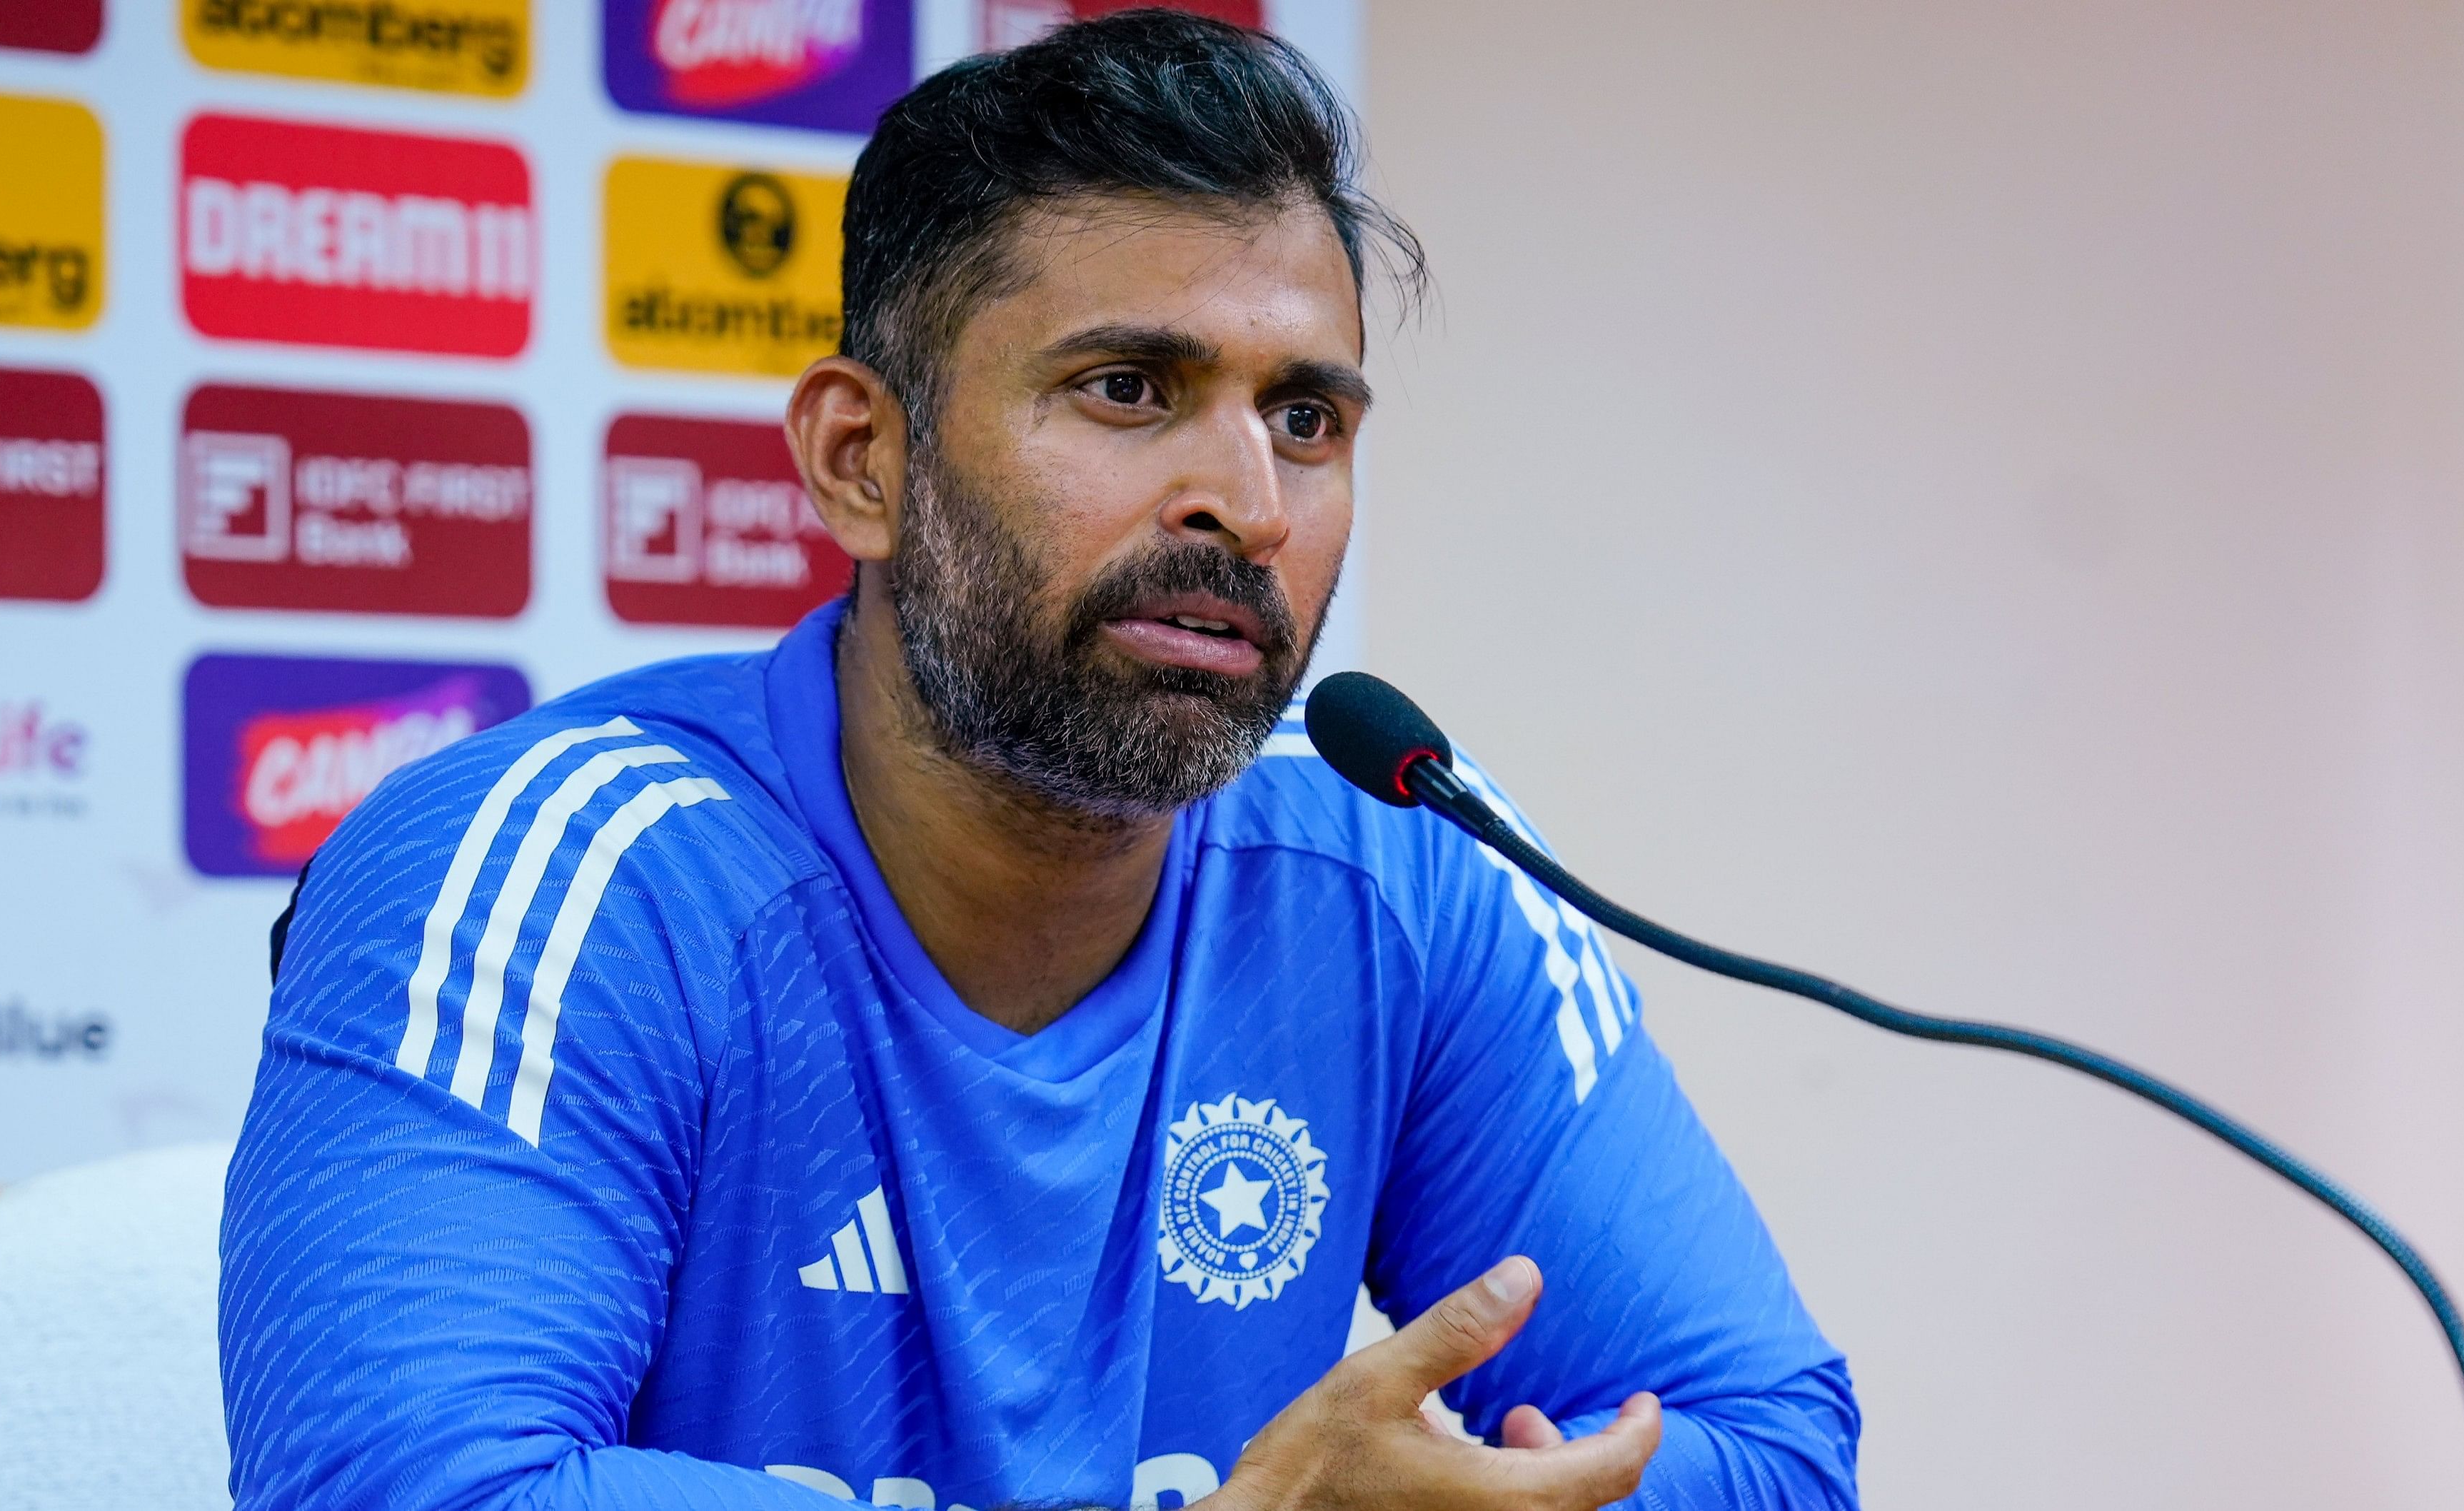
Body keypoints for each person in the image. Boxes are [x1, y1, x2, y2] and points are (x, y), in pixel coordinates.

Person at [219, 13, 1860, 1510]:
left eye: (1306, 418)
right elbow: (408, 1490)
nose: (1251, 504)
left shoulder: (1400, 860)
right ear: (864, 461)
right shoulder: (556, 873)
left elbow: (1773, 1445)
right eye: (1130, 388)